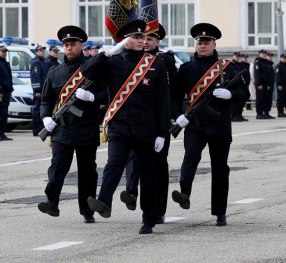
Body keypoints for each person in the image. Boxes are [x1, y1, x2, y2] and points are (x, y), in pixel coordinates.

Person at [82, 19, 170, 235]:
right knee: (113, 164)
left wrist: (162, 133)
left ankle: (149, 218)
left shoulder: (156, 64)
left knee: (148, 174)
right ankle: (103, 201)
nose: (140, 41)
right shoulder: (114, 62)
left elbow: (163, 102)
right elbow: (86, 73)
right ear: (125, 41)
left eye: (142, 37)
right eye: (135, 37)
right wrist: (109, 52)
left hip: (146, 129)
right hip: (120, 126)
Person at [171, 23, 249, 227]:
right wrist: (178, 115)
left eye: (206, 42)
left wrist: (231, 94)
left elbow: (244, 93)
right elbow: (173, 96)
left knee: (220, 168)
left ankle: (220, 212)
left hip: (220, 125)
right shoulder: (187, 69)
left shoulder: (228, 68)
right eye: (199, 42)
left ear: (214, 44)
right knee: (190, 158)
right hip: (195, 124)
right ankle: (184, 193)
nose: (202, 45)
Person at [37, 25, 106, 224]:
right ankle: (52, 202)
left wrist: (92, 97)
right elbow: (45, 100)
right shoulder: (54, 72)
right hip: (62, 129)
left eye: (73, 44)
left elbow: (107, 94)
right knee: (58, 167)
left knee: (87, 172)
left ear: (81, 45)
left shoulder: (92, 69)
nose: (69, 47)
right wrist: (45, 119)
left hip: (86, 128)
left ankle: (87, 210)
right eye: (66, 44)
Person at [120, 24, 177, 225]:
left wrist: (174, 117)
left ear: (157, 41)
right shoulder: (131, 60)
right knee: (132, 159)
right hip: (136, 123)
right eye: (142, 38)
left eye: (150, 39)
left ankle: (158, 209)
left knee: (158, 167)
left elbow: (172, 92)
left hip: (158, 122)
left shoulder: (165, 61)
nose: (145, 41)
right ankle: (132, 193)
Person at [0, 45, 13, 141]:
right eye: (2, 51)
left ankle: (2, 133)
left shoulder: (5, 62)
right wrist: (0, 92)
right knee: (0, 114)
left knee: (4, 114)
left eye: (5, 51)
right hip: (1, 92)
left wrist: (10, 89)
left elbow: (8, 77)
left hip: (6, 91)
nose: (4, 53)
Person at [30, 45, 48, 136]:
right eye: (40, 50)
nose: (42, 52)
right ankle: (36, 129)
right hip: (39, 91)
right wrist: (37, 90)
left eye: (43, 50)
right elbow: (35, 77)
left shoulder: (42, 61)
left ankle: (41, 128)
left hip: (43, 90)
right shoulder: (36, 62)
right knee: (37, 110)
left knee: (42, 110)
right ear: (36, 52)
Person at [254, 49, 275, 119]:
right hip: (260, 84)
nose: (264, 55)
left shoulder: (266, 63)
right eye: (263, 54)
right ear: (259, 54)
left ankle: (266, 112)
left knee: (267, 99)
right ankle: (259, 113)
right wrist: (258, 83)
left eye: (265, 54)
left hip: (266, 85)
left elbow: (269, 75)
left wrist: (269, 84)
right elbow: (257, 74)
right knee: (260, 99)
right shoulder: (258, 62)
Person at [230, 52, 247, 122]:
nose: (238, 57)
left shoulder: (240, 65)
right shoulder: (232, 65)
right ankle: (234, 116)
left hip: (241, 85)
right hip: (235, 86)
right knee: (235, 103)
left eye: (239, 56)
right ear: (233, 56)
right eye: (236, 56)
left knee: (241, 102)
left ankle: (239, 115)